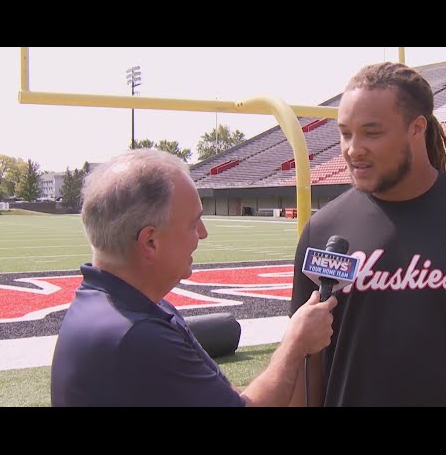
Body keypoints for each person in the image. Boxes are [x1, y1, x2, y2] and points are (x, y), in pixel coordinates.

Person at [289, 62, 446, 407]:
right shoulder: (324, 230)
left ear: (417, 128)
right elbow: (309, 363)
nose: (353, 149)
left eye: (372, 132)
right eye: (346, 133)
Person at [50, 149, 337, 407]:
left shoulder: (129, 309)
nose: (202, 232)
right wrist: (295, 345)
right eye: (192, 222)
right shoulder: (137, 336)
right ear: (150, 242)